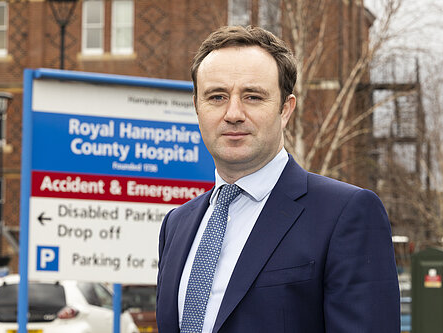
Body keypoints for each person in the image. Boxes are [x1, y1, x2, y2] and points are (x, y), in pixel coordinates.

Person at [156, 26, 400, 333]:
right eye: (216, 97)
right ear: (197, 108)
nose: (233, 113)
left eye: (253, 96)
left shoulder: (345, 214)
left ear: (285, 109)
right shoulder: (176, 225)